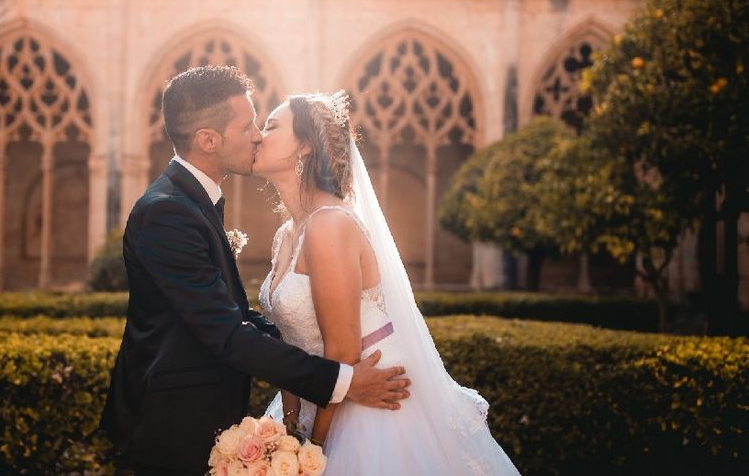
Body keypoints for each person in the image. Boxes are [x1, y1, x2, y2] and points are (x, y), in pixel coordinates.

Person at [99, 67, 411, 476]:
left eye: (265, 125)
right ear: (208, 140)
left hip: (222, 417)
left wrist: (318, 370)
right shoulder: (168, 211)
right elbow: (227, 333)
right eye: (248, 125)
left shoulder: (192, 202)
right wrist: (343, 382)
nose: (258, 135)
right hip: (171, 424)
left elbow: (237, 319)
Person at [253, 90, 521, 475]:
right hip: (319, 397)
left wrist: (312, 450)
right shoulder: (286, 236)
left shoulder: (329, 224)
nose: (259, 135)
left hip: (366, 414)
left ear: (306, 146)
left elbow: (343, 351)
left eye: (272, 126)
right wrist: (291, 428)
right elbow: (288, 346)